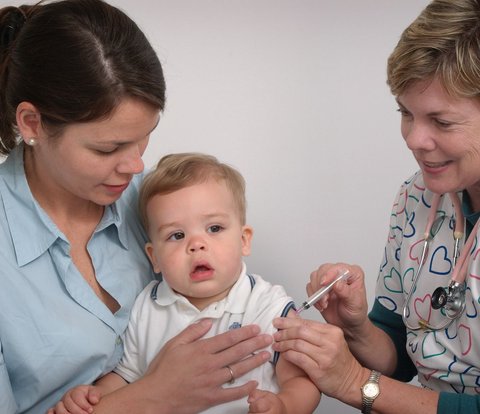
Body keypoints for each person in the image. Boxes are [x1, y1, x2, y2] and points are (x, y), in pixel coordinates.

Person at [0, 1, 274, 413]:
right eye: (107, 147)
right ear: (32, 124)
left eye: (144, 136)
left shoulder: (158, 203)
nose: (136, 165)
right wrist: (153, 396)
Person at [272, 0, 480, 413]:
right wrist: (357, 327)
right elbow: (403, 356)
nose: (414, 139)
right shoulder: (418, 196)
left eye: (441, 122)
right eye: (406, 112)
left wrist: (354, 383)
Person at [50, 152, 321, 414]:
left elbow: (301, 381)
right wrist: (92, 398)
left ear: (243, 240)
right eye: (177, 235)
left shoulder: (267, 304)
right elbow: (126, 378)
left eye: (214, 228)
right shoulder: (147, 306)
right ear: (154, 257)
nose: (196, 244)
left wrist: (285, 406)